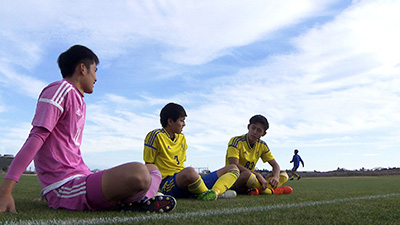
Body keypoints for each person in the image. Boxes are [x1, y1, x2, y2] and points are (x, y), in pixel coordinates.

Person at [0, 45, 175, 214]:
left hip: (83, 177)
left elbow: (66, 150)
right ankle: (141, 199)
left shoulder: (80, 101)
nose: (96, 78)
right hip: (65, 184)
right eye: (95, 71)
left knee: (152, 169)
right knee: (139, 173)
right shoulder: (61, 89)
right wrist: (6, 192)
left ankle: (139, 200)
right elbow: (36, 138)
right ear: (82, 68)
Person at [143, 102, 240, 201]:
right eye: (181, 120)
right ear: (170, 121)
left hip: (188, 180)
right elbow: (149, 166)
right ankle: (207, 193)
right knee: (190, 172)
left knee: (233, 168)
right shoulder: (155, 136)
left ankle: (214, 192)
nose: (184, 124)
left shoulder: (182, 138)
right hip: (168, 183)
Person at [225, 115, 292, 195]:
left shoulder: (262, 145)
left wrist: (276, 177)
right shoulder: (236, 141)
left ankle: (256, 189)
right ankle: (270, 191)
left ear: (263, 134)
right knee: (248, 175)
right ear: (248, 127)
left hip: (252, 178)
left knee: (283, 174)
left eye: (259, 130)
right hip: (236, 177)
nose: (254, 132)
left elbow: (275, 165)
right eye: (253, 128)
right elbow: (234, 165)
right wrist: (257, 175)